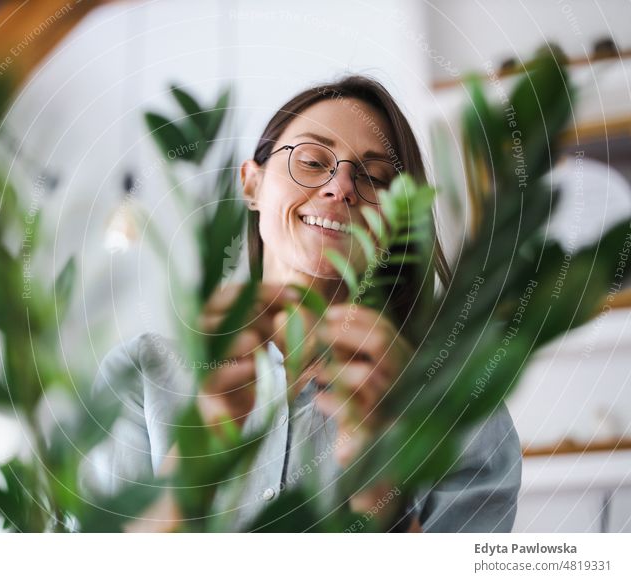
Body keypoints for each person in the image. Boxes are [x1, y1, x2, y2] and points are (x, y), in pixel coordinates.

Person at [80, 75, 521, 533]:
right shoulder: (142, 373)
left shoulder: (463, 400)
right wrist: (196, 459)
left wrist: (379, 484)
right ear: (251, 185)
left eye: (373, 176)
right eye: (312, 161)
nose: (341, 186)